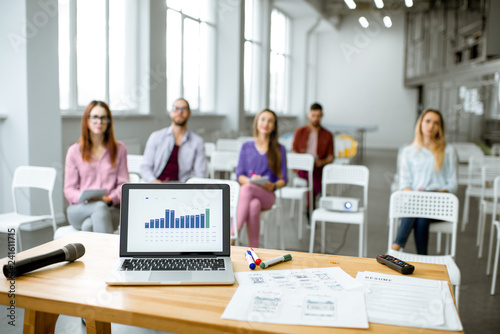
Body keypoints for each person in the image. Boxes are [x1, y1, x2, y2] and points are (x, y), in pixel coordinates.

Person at [392, 109, 458, 255]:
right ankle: (423, 257)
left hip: (439, 204)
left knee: (421, 207)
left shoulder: (449, 151)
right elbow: (404, 184)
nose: (431, 126)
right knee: (421, 213)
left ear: (440, 127)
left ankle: (395, 247)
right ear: (420, 124)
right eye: (428, 121)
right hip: (414, 202)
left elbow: (453, 184)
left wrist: (431, 195)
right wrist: (419, 197)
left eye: (436, 123)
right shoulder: (408, 151)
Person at [64, 100, 129, 233]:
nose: (99, 122)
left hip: (111, 208)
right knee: (98, 207)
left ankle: (91, 254)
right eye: (95, 117)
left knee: (89, 225)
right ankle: (110, 254)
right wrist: (84, 198)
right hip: (80, 208)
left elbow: (124, 185)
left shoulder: (119, 149)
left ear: (108, 121)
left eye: (103, 118)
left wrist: (109, 199)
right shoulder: (74, 151)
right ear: (87, 120)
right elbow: (69, 189)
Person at [235, 109, 288, 247]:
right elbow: (239, 175)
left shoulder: (279, 149)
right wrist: (252, 182)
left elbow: (283, 179)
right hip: (250, 193)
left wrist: (273, 186)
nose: (266, 123)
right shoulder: (246, 146)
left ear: (274, 126)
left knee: (246, 189)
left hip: (268, 194)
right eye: (263, 119)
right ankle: (254, 249)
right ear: (257, 122)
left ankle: (232, 237)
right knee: (254, 205)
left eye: (270, 121)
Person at [141, 98, 206, 183]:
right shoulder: (156, 137)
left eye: (184, 109)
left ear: (189, 113)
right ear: (170, 113)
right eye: (176, 108)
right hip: (157, 184)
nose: (180, 112)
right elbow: (145, 167)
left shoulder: (197, 142)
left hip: (182, 187)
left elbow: (200, 174)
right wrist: (153, 181)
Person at [292, 102, 334, 200]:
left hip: (318, 167)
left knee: (313, 172)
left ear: (322, 116)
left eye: (318, 116)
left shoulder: (327, 135)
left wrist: (322, 162)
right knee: (310, 173)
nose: (315, 119)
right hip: (302, 168)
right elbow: (293, 151)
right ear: (309, 115)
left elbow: (331, 157)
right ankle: (318, 195)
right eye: (313, 115)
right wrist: (302, 161)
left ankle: (310, 206)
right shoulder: (299, 132)